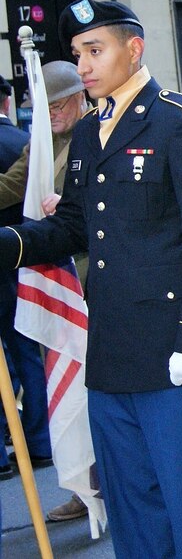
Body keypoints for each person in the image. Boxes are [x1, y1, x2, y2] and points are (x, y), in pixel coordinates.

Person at [0, 0, 182, 557]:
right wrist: (8, 243)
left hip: (169, 350)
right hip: (108, 351)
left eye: (95, 49)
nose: (83, 64)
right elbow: (75, 225)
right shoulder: (87, 133)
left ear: (134, 48)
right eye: (78, 52)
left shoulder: (180, 120)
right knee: (132, 505)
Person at [0, 61, 91, 520]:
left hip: (92, 281)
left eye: (58, 105)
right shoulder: (40, 145)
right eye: (43, 107)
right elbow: (10, 187)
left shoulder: (99, 134)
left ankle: (110, 485)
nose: (52, 114)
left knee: (96, 394)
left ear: (80, 97)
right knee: (69, 392)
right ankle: (87, 487)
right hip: (58, 282)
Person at [0, 76, 47, 482]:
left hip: (20, 259)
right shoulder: (22, 142)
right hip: (26, 264)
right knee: (29, 354)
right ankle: (40, 440)